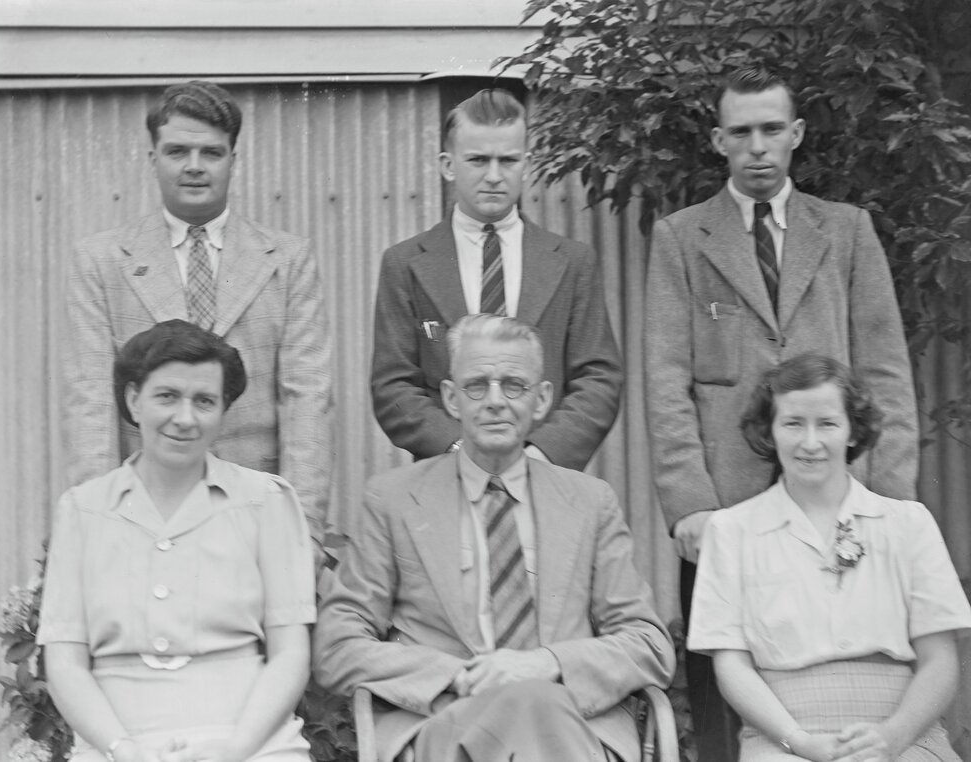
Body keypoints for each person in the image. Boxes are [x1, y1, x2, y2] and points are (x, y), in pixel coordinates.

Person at [644, 64, 919, 761]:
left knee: (845, 653)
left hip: (839, 487)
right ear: (718, 140)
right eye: (742, 133)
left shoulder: (847, 231)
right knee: (720, 669)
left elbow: (885, 372)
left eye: (772, 130)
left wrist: (889, 495)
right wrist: (689, 505)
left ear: (796, 134)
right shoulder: (682, 238)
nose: (758, 147)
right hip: (727, 501)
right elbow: (667, 378)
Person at [315, 314, 674, 762]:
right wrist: (456, 674)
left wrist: (546, 664)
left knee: (537, 700)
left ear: (542, 400)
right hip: (448, 721)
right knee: (531, 703)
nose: (496, 401)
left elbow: (648, 642)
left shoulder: (589, 502)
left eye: (514, 385)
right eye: (477, 385)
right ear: (451, 398)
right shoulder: (394, 500)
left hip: (571, 722)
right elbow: (337, 645)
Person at [62, 80, 332, 563]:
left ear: (234, 159)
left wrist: (303, 528)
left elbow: (307, 398)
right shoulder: (103, 262)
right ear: (153, 159)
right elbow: (90, 405)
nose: (193, 166)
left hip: (257, 511)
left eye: (211, 152)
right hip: (143, 511)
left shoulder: (287, 260)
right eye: (177, 151)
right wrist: (98, 526)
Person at [39, 320, 315, 762]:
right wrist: (122, 750)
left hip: (249, 740)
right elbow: (65, 665)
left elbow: (290, 656)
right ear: (134, 400)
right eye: (167, 396)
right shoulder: (83, 510)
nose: (185, 418)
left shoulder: (265, 502)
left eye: (204, 401)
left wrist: (233, 751)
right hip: (118, 741)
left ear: (224, 410)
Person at [688, 353, 971, 762]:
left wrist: (893, 736)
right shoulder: (732, 531)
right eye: (792, 423)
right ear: (769, 430)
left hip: (902, 737)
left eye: (827, 423)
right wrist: (798, 741)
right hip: (782, 740)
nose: (810, 442)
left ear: (853, 431)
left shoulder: (907, 523)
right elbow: (732, 666)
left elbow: (940, 660)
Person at [370, 88, 622, 471]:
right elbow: (394, 386)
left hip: (547, 477)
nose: (493, 176)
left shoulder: (572, 262)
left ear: (527, 164)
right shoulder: (405, 264)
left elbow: (598, 378)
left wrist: (540, 454)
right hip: (445, 476)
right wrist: (459, 452)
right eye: (477, 160)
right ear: (447, 165)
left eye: (507, 160)